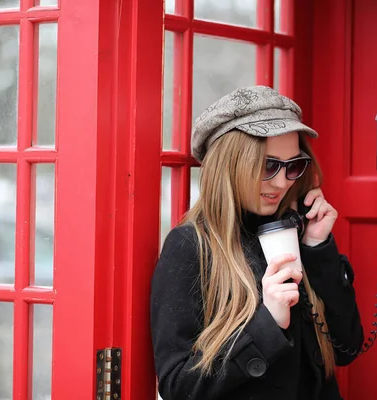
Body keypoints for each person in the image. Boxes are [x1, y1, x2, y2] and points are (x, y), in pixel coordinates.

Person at [150, 85, 363, 400]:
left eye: (293, 166)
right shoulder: (190, 247)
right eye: (268, 165)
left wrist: (318, 250)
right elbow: (178, 386)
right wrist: (269, 323)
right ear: (230, 164)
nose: (282, 182)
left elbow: (347, 348)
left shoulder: (295, 233)